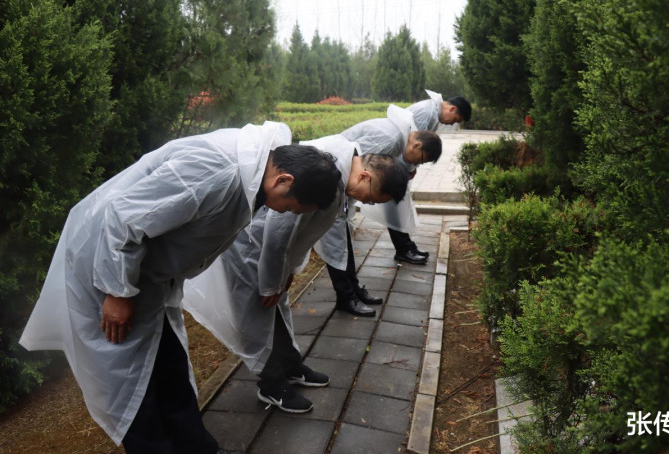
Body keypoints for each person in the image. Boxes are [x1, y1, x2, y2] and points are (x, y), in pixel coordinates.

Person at [19, 122, 342, 454]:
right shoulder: (217, 172)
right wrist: (117, 292)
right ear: (283, 180)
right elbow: (122, 218)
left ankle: (197, 447)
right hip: (106, 267)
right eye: (289, 207)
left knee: (170, 364)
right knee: (133, 384)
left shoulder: (254, 170)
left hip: (144, 275)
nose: (283, 212)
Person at [184, 134, 409, 413]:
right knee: (256, 314)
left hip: (271, 256)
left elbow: (302, 235)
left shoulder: (340, 170)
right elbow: (278, 234)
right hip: (250, 249)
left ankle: (290, 366)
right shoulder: (320, 177)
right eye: (372, 198)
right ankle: (271, 384)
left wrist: (286, 274)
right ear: (364, 176)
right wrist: (271, 284)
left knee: (278, 309)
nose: (368, 203)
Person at [329, 104, 442, 316]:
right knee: (337, 241)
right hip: (336, 185)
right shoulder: (389, 139)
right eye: (421, 159)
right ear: (417, 145)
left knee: (343, 240)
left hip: (345, 188)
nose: (417, 164)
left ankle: (353, 291)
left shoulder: (401, 136)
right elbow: (357, 166)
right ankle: (346, 297)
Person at [385, 89, 473, 264]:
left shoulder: (432, 112)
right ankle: (404, 249)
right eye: (455, 120)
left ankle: (406, 247)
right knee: (395, 206)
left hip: (398, 163)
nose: (451, 124)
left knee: (399, 206)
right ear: (452, 109)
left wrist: (412, 167)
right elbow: (411, 144)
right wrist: (408, 167)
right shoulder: (427, 113)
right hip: (395, 162)